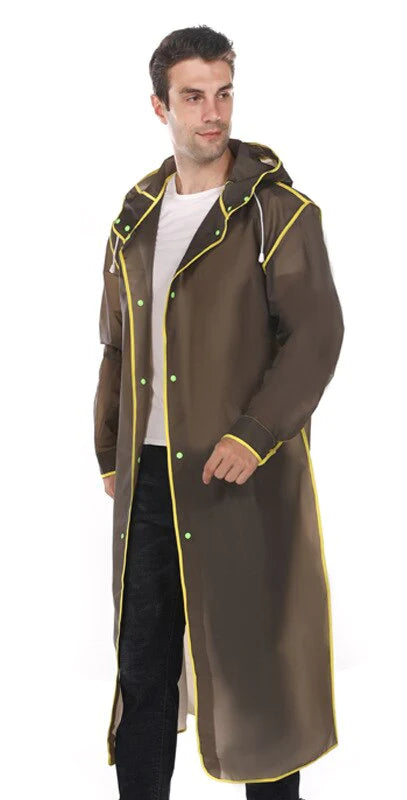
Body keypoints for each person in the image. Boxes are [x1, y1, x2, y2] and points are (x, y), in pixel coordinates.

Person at [93, 25, 343, 800]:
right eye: (194, 97)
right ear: (160, 106)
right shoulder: (136, 215)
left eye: (223, 93)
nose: (213, 113)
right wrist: (110, 448)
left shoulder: (279, 212)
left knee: (257, 670)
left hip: (239, 479)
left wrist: (254, 433)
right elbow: (116, 343)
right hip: (147, 479)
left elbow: (316, 336)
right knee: (142, 667)